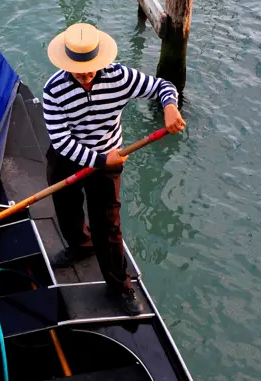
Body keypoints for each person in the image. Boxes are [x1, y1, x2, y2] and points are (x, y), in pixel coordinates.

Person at [43, 23, 186, 315]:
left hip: (109, 155)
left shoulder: (119, 76)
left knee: (108, 224)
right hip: (68, 156)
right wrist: (99, 160)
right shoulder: (53, 90)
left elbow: (162, 86)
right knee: (67, 208)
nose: (85, 77)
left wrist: (170, 105)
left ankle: (121, 286)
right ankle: (81, 246)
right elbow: (61, 141)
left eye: (90, 70)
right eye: (78, 71)